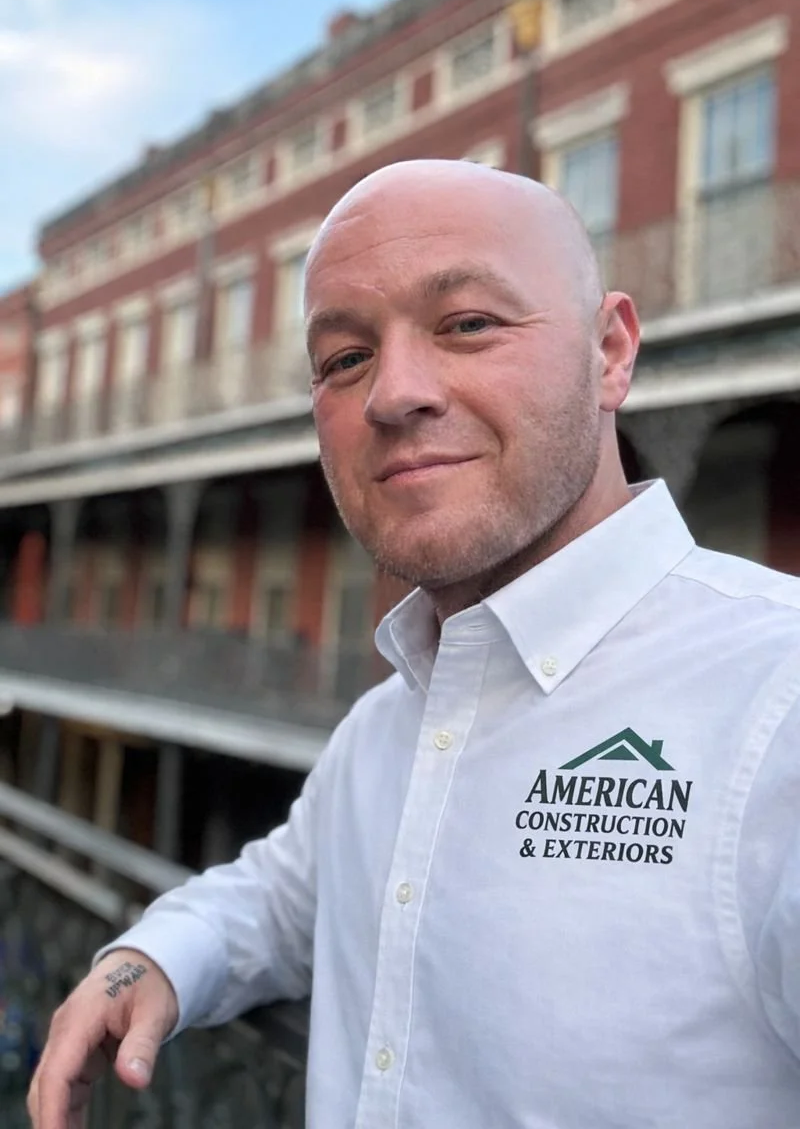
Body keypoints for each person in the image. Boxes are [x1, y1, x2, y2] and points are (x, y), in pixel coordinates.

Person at [28, 160, 800, 1129]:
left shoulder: (775, 704)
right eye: (344, 358)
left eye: (466, 324)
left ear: (608, 351)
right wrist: (151, 960)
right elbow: (275, 897)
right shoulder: (385, 726)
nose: (392, 394)